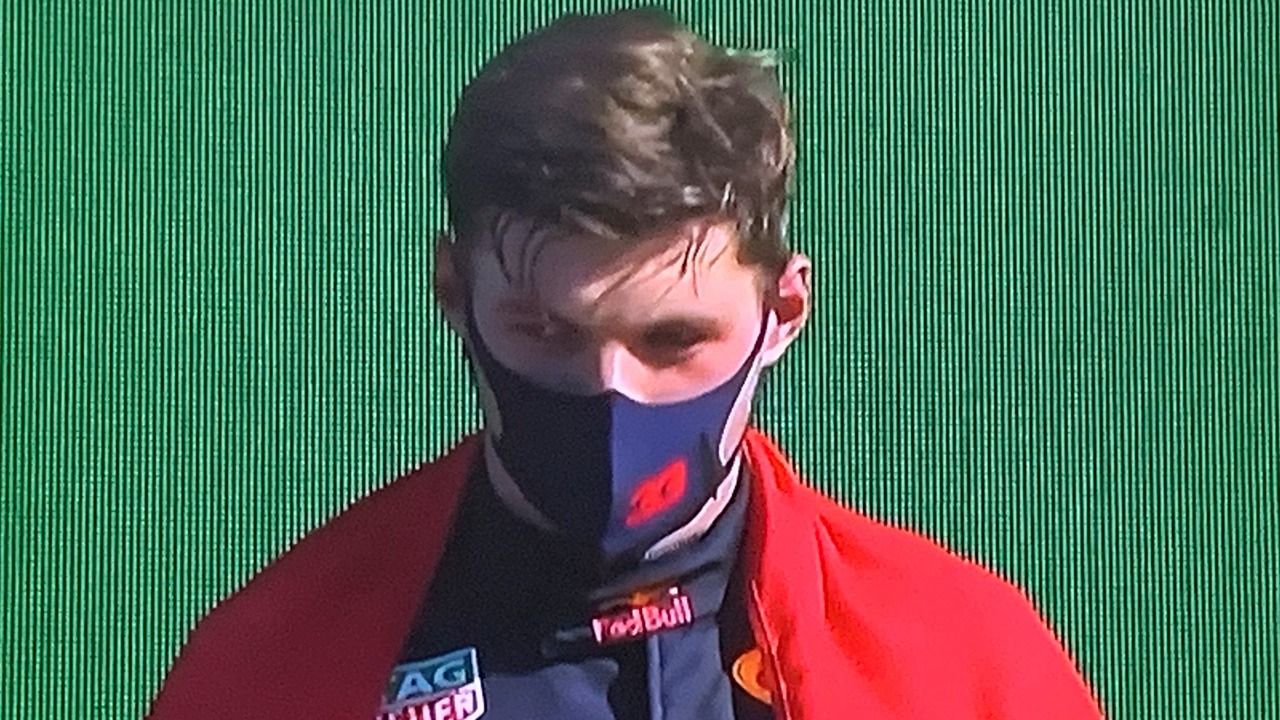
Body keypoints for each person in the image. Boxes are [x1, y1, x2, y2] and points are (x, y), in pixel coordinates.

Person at [147, 7, 1104, 719]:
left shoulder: (962, 667)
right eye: (546, 332)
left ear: (781, 314)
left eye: (672, 340)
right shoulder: (275, 668)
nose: (610, 394)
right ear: (453, 295)